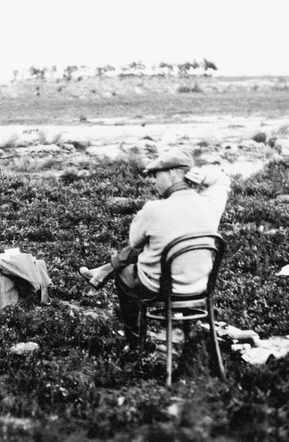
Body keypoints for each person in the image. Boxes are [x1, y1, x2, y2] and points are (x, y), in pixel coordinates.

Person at [79, 149, 232, 354]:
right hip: (200, 286)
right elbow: (223, 181)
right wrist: (203, 175)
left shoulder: (154, 209)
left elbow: (134, 241)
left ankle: (135, 344)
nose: (154, 181)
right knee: (160, 244)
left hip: (161, 289)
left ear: (171, 174)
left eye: (156, 175)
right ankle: (104, 271)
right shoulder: (211, 203)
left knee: (127, 272)